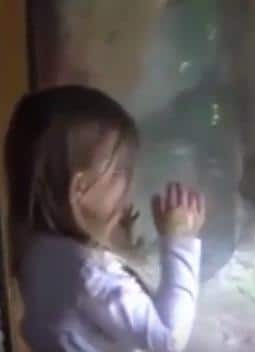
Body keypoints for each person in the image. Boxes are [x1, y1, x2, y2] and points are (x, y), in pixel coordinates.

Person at [4, 85, 206, 351]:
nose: (129, 182)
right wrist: (179, 241)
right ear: (80, 188)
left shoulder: (36, 244)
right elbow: (166, 340)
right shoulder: (93, 276)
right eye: (118, 172)